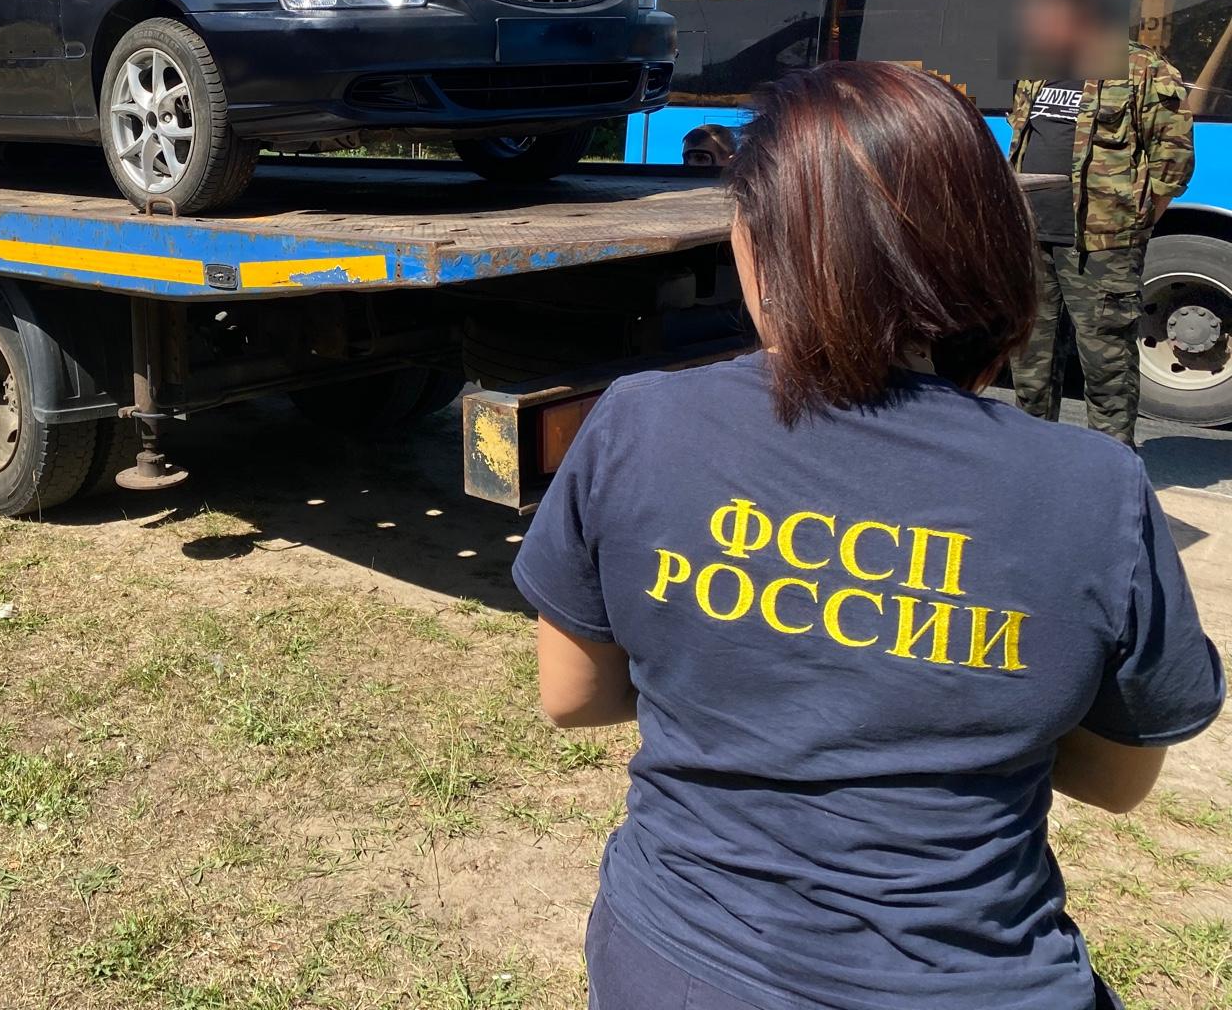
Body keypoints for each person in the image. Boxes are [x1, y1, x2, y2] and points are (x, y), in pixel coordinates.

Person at [513, 61, 1221, 1010]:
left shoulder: (637, 421)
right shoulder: (1094, 486)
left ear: (763, 241)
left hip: (675, 964)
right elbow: (1117, 776)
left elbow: (572, 697)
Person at [1008, 0, 1194, 445]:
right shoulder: (1038, 66)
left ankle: (1111, 467)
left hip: (1101, 243)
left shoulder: (1142, 68)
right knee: (1031, 362)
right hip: (1033, 235)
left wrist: (1134, 223)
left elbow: (1171, 161)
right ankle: (1034, 460)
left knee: (1106, 362)